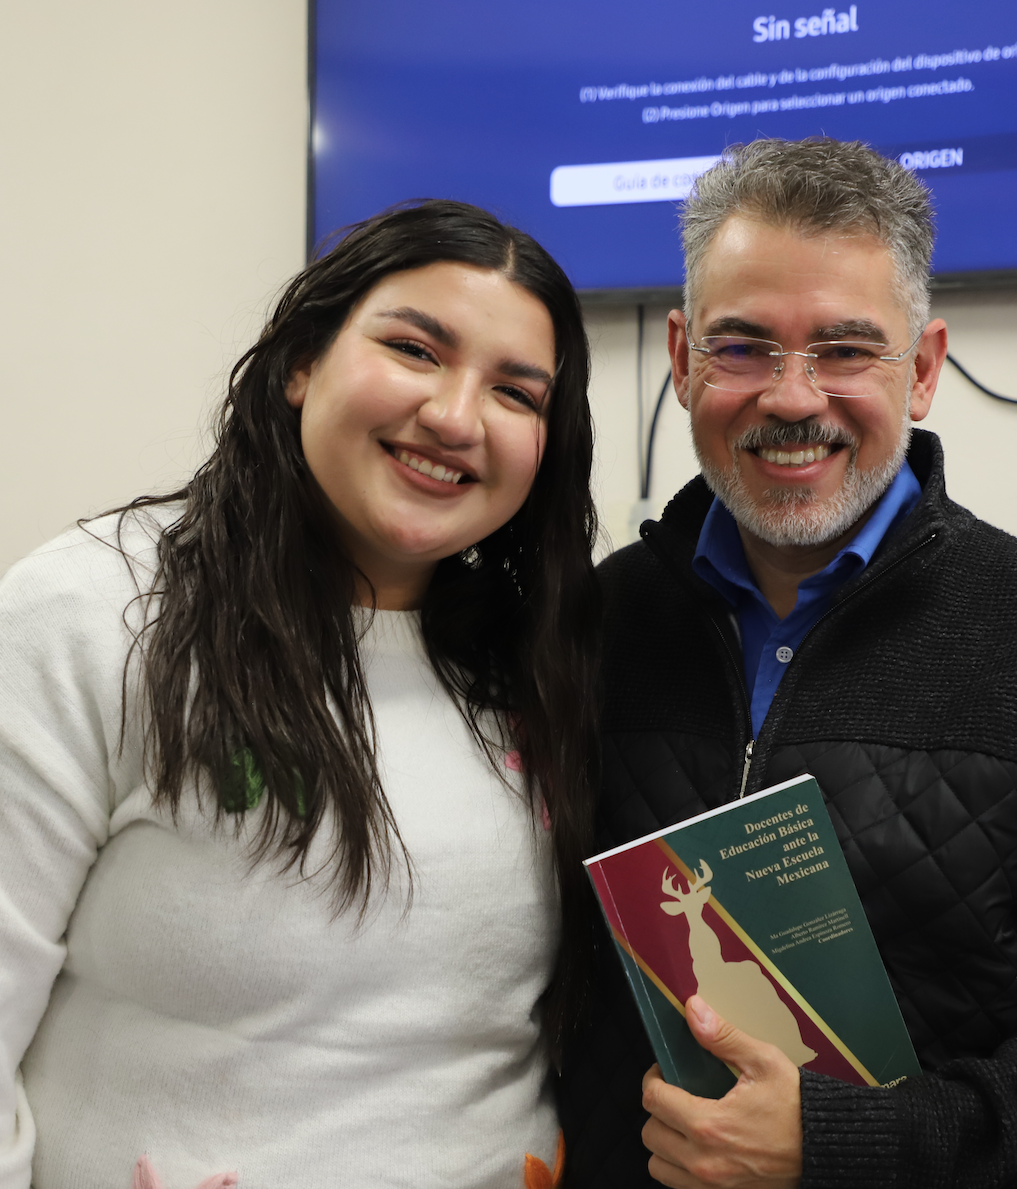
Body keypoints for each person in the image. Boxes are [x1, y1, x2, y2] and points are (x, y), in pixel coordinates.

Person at [558, 138, 1017, 1188]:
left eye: (846, 349)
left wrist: (849, 1145)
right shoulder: (586, 626)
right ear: (679, 359)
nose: (792, 396)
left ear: (926, 367)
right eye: (743, 346)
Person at [0, 200, 600, 1189]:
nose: (454, 416)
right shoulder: (89, 613)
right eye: (414, 348)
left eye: (516, 393)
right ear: (300, 363)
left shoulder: (544, 658)